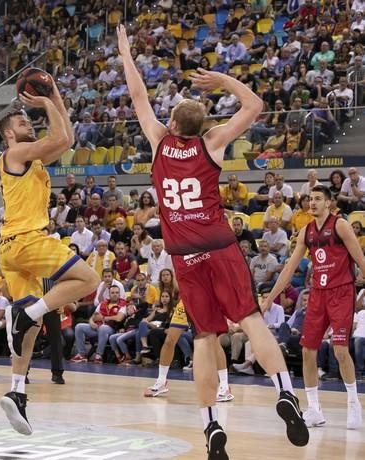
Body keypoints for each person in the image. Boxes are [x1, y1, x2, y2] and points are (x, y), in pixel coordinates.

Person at [118, 25, 308, 460]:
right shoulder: (213, 143)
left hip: (184, 256)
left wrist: (127, 52)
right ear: (201, 125)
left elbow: (137, 95)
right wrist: (222, 80)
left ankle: (211, 425)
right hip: (221, 245)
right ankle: (284, 393)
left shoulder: (158, 143)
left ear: (172, 123)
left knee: (204, 339)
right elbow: (256, 105)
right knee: (253, 322)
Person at [0, 75, 100, 435]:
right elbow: (58, 137)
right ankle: (25, 315)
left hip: (11, 248)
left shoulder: (33, 159)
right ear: (9, 133)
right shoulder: (15, 153)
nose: (29, 123)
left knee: (31, 325)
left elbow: (67, 139)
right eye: (22, 121)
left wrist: (54, 93)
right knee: (89, 279)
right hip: (26, 240)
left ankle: (17, 391)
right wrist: (46, 103)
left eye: (30, 120)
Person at [264, 185, 364, 430]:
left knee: (340, 350)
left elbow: (361, 260)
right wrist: (269, 299)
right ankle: (314, 409)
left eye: (319, 199)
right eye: (311, 199)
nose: (313, 203)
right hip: (317, 295)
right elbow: (288, 269)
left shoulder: (340, 225)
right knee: (308, 351)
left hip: (341, 293)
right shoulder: (306, 231)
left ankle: (353, 403)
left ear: (329, 203)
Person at [144, 301, 234, 403]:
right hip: (186, 301)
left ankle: (224, 386)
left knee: (214, 342)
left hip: (207, 301)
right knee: (169, 340)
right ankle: (161, 382)